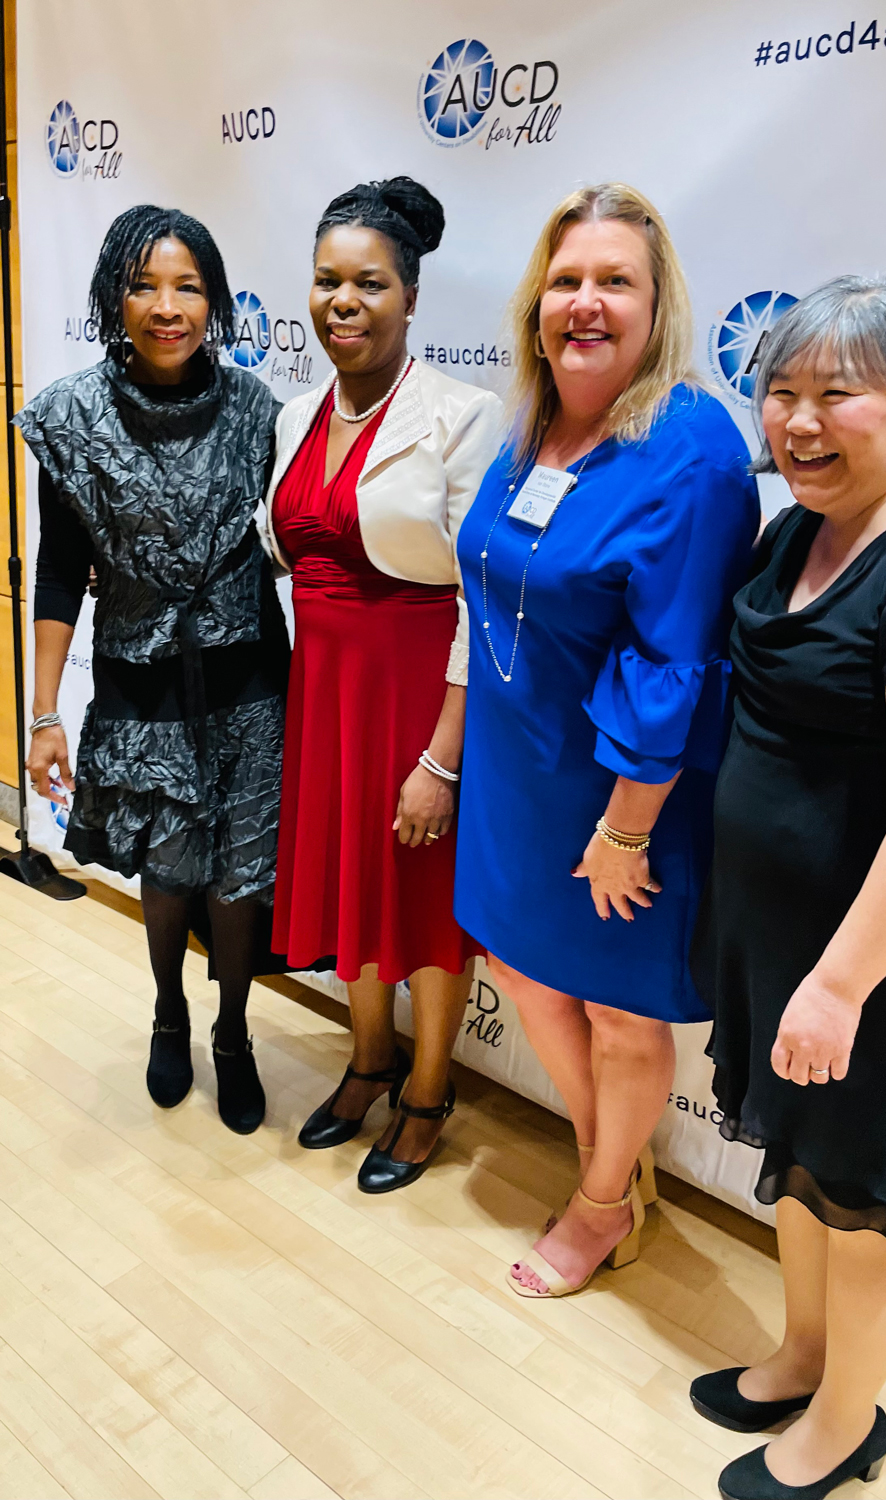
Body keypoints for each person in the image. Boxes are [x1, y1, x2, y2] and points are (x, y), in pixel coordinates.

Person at [689, 276, 886, 1500]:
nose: (797, 422)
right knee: (802, 1161)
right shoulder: (791, 531)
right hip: (777, 929)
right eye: (779, 393)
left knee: (868, 1189)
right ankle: (803, 1356)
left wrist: (837, 983)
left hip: (871, 958)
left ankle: (845, 1424)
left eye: (836, 395)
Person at [454, 183, 759, 1297]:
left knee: (624, 1018)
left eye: (613, 281)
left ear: (656, 300)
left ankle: (598, 1204)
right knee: (524, 972)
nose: (583, 302)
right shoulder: (533, 417)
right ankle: (619, 1175)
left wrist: (626, 831)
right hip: (513, 767)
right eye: (566, 279)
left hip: (623, 789)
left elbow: (675, 654)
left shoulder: (690, 444)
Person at [18, 205, 288, 1135]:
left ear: (213, 301)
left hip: (250, 682)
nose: (167, 307)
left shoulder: (261, 412)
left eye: (188, 287)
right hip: (142, 682)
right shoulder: (72, 418)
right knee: (170, 871)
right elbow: (57, 572)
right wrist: (43, 710)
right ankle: (171, 1010)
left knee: (241, 874)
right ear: (112, 296)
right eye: (145, 285)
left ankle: (234, 1031)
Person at [266, 177, 502, 1193]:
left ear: (409, 297)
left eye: (368, 283)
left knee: (420, 899)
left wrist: (442, 760)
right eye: (326, 282)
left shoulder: (464, 414)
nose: (343, 301)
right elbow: (291, 553)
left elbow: (482, 599)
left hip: (417, 696)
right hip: (324, 694)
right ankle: (369, 1060)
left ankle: (428, 1090)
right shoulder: (293, 415)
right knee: (352, 882)